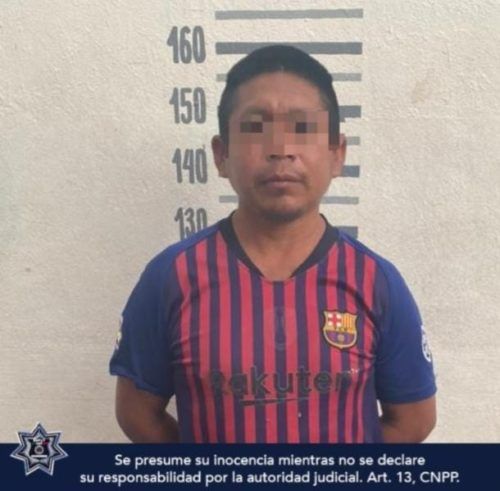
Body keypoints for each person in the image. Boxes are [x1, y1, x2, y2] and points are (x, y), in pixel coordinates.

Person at [109, 45, 436, 443]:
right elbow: (137, 413)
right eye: (255, 128)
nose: (280, 149)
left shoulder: (375, 281)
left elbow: (414, 420)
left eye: (303, 127)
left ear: (337, 154)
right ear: (222, 154)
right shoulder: (171, 277)